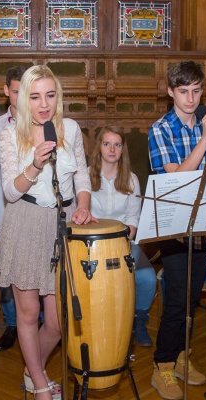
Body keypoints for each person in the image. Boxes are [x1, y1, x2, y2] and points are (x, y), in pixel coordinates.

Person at [0, 65, 94, 400]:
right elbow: (9, 191)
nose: (44, 104)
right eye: (35, 96)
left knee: (58, 321)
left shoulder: (71, 129)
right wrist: (34, 165)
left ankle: (31, 368)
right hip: (25, 222)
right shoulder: (9, 135)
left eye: (50, 95)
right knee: (28, 313)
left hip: (61, 225)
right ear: (23, 99)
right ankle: (40, 384)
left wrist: (83, 206)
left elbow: (82, 175)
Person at [147, 61, 206, 400]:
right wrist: (205, 139)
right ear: (170, 92)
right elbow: (177, 177)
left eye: (196, 91)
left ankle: (181, 357)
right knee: (177, 301)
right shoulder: (160, 129)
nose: (191, 99)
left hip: (204, 226)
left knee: (192, 300)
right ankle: (161, 366)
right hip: (175, 228)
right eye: (183, 92)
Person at [87, 126, 156, 347]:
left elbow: (133, 219)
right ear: (99, 147)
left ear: (122, 149)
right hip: (92, 245)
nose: (112, 149)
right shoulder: (85, 177)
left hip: (123, 243)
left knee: (147, 278)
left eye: (117, 145)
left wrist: (121, 244)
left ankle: (139, 320)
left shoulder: (131, 179)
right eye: (107, 144)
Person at [0, 65, 26, 351]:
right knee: (8, 274)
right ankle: (12, 324)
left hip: (39, 214)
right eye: (16, 91)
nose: (21, 97)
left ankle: (40, 324)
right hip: (5, 214)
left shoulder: (45, 125)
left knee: (39, 272)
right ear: (5, 91)